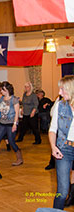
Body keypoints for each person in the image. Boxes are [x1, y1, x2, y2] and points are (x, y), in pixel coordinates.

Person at [49, 76, 74, 209]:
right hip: (64, 149)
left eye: (62, 89)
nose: (59, 93)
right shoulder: (60, 105)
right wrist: (53, 147)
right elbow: (53, 129)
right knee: (62, 192)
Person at [0, 81, 23, 166]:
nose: (1, 91)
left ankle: (19, 158)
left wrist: (15, 124)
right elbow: (0, 110)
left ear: (7, 90)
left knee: (11, 141)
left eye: (2, 90)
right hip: (2, 122)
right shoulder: (2, 99)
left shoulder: (14, 100)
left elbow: (17, 113)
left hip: (11, 123)